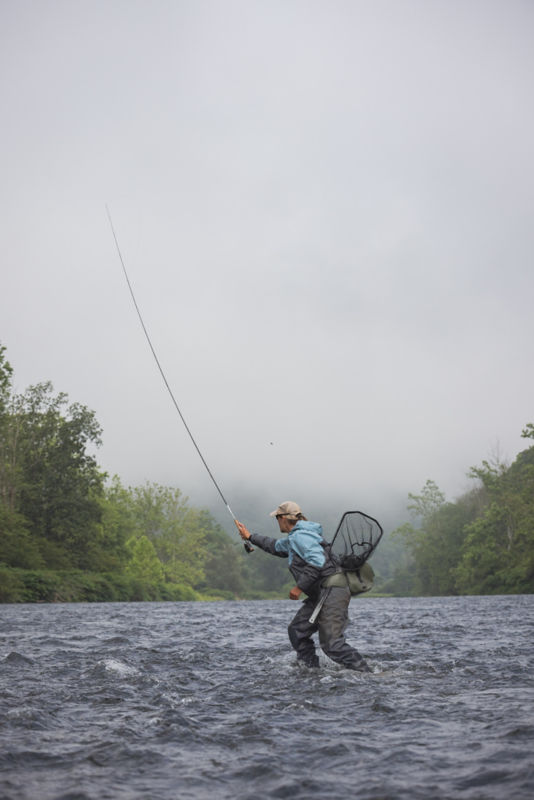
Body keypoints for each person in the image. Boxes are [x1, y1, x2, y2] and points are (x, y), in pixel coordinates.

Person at [235, 501, 371, 672]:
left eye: (277, 518)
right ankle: (311, 670)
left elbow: (317, 561)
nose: (277, 522)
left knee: (332, 644)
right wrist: (250, 537)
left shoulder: (301, 537)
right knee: (297, 631)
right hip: (322, 594)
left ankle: (368, 675)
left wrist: (299, 587)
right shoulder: (296, 537)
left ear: (283, 518)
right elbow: (276, 546)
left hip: (332, 591)